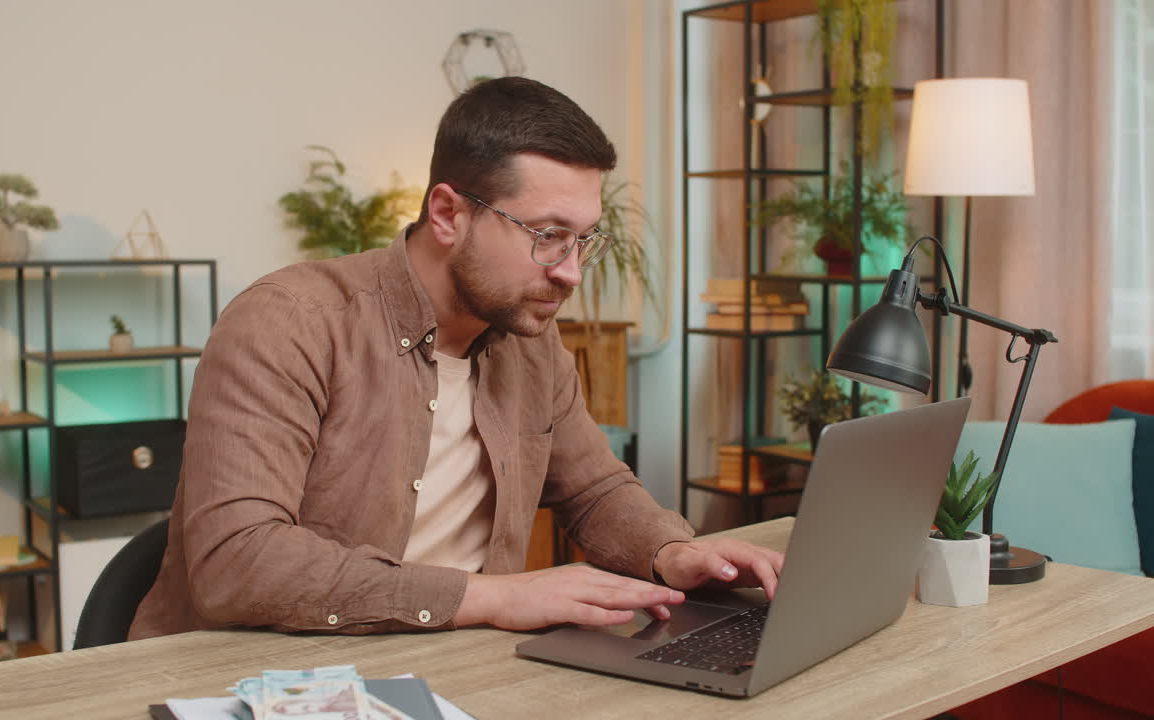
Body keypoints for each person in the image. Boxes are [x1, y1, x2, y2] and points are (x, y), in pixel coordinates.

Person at [130, 76, 783, 640]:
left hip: (451, 670)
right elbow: (239, 560)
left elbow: (595, 489)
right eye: (549, 237)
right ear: (447, 213)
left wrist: (672, 552)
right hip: (258, 682)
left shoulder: (532, 343)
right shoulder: (288, 324)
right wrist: (495, 597)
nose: (572, 274)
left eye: (586, 240)